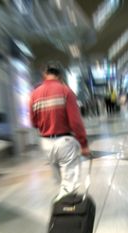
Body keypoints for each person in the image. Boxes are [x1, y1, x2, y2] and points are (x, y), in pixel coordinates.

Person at [29, 61, 90, 201]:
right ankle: (67, 213)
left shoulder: (34, 94)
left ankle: (64, 208)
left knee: (60, 181)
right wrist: (84, 144)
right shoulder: (65, 91)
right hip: (65, 142)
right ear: (60, 75)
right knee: (69, 183)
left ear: (44, 74)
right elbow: (75, 122)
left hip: (45, 143)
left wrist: (46, 124)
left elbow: (33, 122)